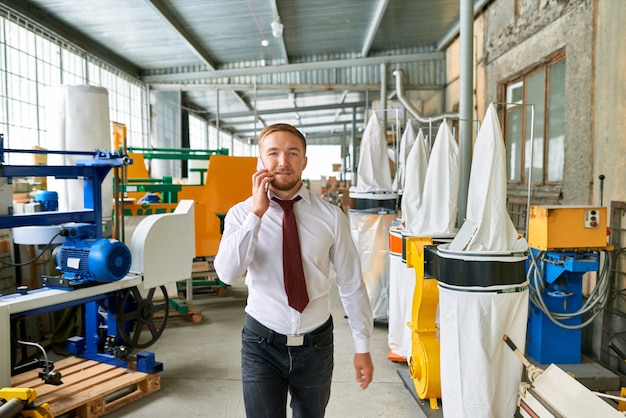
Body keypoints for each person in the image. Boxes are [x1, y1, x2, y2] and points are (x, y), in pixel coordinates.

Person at [214, 123, 374, 418]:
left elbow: (351, 283)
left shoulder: (331, 216)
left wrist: (362, 345)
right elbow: (227, 273)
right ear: (261, 161)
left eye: (292, 153)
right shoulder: (241, 214)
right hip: (262, 342)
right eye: (273, 153)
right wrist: (256, 215)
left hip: (317, 345)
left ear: (305, 161)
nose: (283, 162)